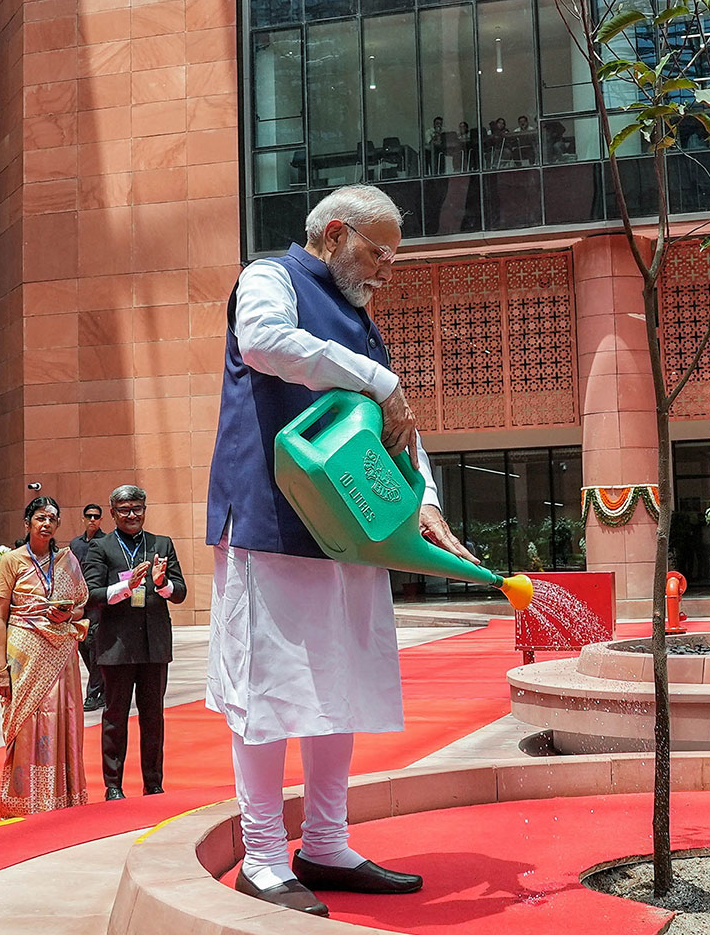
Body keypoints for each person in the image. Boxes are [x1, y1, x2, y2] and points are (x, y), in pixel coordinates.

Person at [205, 184, 475, 918]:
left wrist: (424, 499)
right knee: (266, 693)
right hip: (270, 523)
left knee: (340, 688)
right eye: (378, 251)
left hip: (351, 528)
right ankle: (263, 857)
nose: (387, 268)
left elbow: (392, 425)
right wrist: (381, 379)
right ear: (332, 235)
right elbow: (264, 343)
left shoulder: (358, 318)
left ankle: (325, 843)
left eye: (393, 256)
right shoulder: (270, 278)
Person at [83, 485, 186, 800]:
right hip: (116, 645)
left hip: (154, 644)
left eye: (137, 509)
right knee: (115, 717)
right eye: (125, 510)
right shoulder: (100, 547)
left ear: (144, 510)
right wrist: (126, 586)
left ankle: (153, 783)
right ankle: (113, 785)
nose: (132, 515)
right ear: (113, 513)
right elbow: (91, 595)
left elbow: (180, 592)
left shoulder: (161, 544)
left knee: (153, 716)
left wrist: (162, 584)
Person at [0, 496, 89, 817]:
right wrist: (1, 669)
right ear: (27, 523)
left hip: (62, 652)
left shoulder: (67, 561)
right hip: (24, 653)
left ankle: (63, 796)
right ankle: (26, 799)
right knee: (27, 721)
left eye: (52, 519)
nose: (46, 524)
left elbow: (81, 605)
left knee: (63, 716)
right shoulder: (12, 561)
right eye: (40, 518)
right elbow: (0, 617)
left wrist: (68, 614)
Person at [70, 504, 107, 711]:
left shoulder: (106, 542)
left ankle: (93, 694)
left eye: (96, 516)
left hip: (98, 602)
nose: (92, 519)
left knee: (94, 646)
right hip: (79, 602)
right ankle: (103, 689)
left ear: (101, 519)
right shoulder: (76, 544)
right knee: (83, 645)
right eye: (89, 516)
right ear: (83, 518)